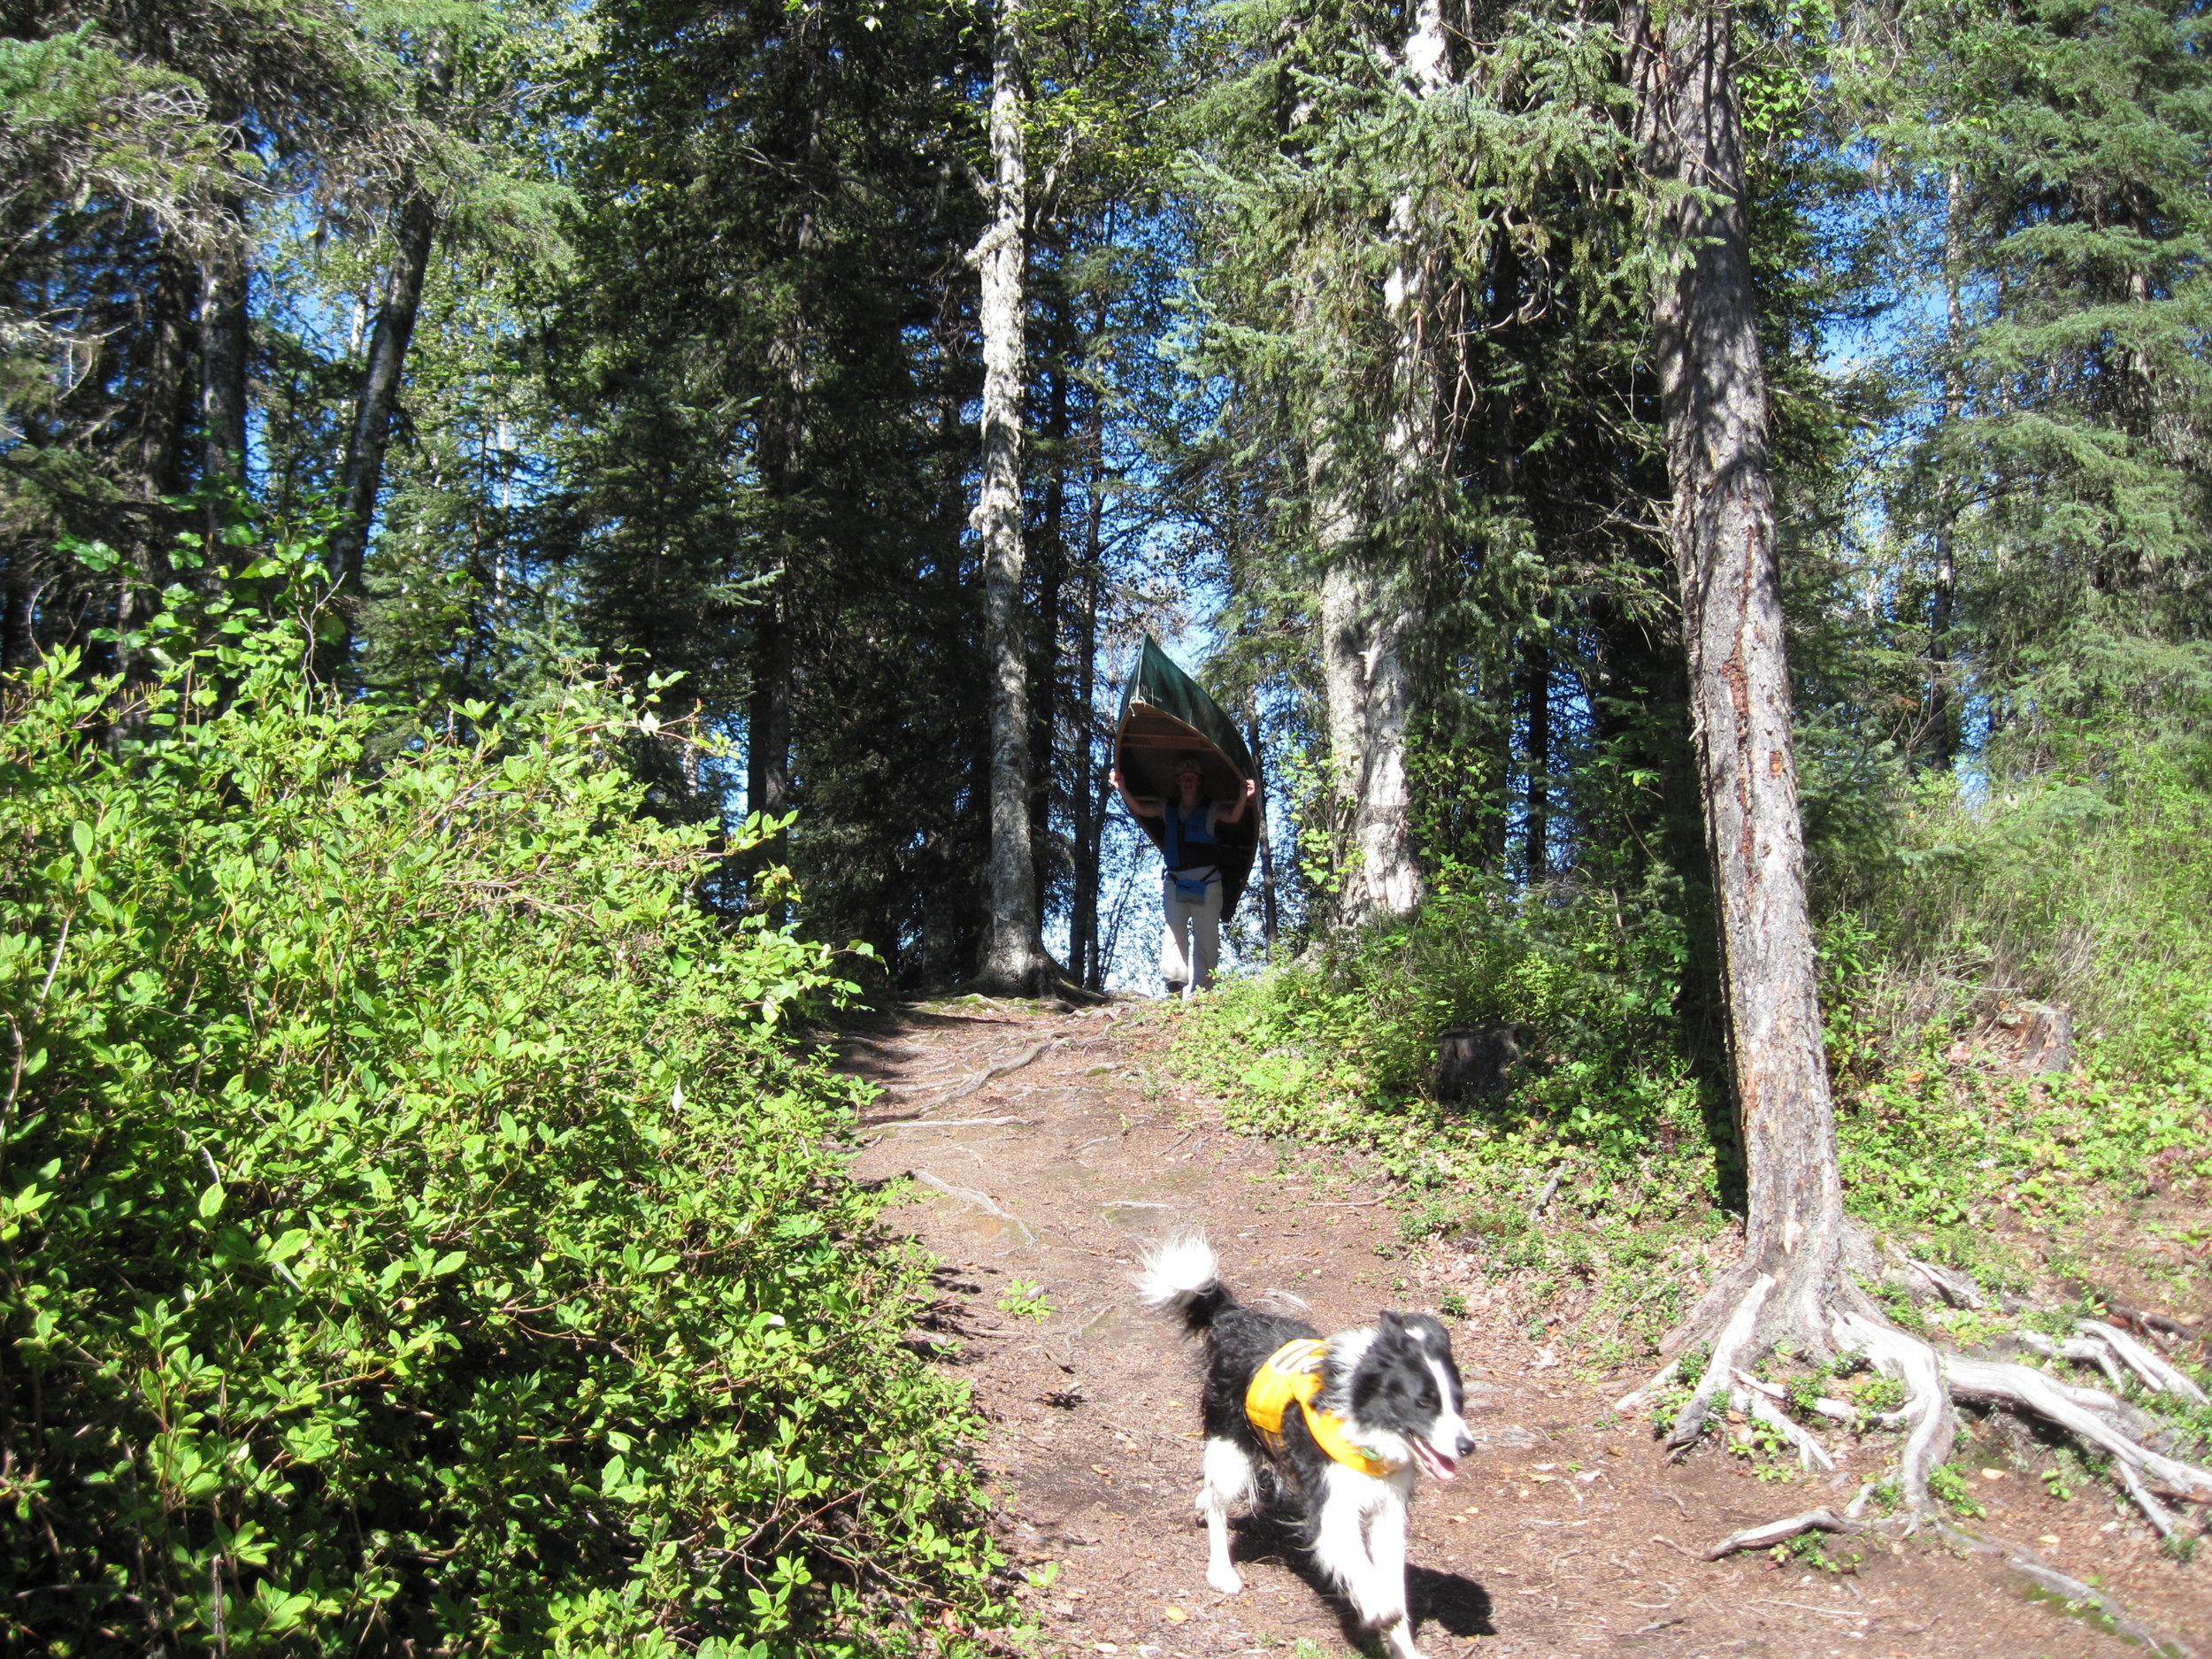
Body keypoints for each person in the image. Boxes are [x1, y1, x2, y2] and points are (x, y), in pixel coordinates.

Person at [1111, 756, 1256, 998]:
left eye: (1192, 777)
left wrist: (1243, 796)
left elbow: (1232, 816)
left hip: (1208, 883)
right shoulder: (1166, 807)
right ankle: (1174, 988)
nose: (1188, 781)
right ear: (1177, 781)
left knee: (1207, 939)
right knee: (1173, 933)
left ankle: (1204, 994)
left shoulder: (1211, 807)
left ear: (1200, 781)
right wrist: (1122, 787)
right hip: (1176, 882)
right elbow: (1141, 809)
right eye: (1184, 777)